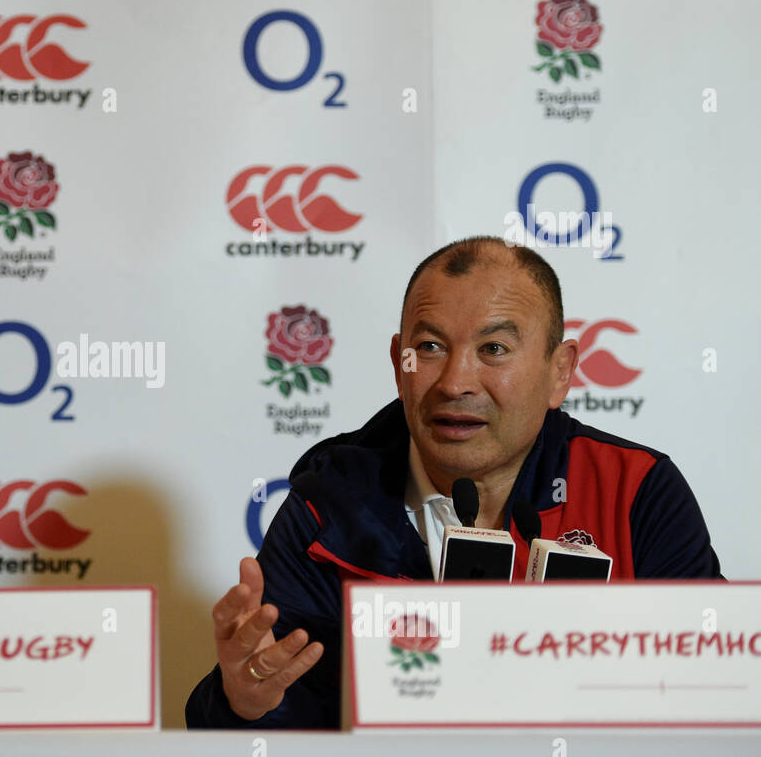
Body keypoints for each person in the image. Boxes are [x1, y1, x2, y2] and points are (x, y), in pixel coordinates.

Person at [186, 236, 723, 730]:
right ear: (400, 365)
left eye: (493, 349)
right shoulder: (328, 506)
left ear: (560, 372)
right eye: (432, 347)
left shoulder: (637, 491)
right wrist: (245, 703)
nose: (455, 382)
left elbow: (715, 697)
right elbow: (282, 726)